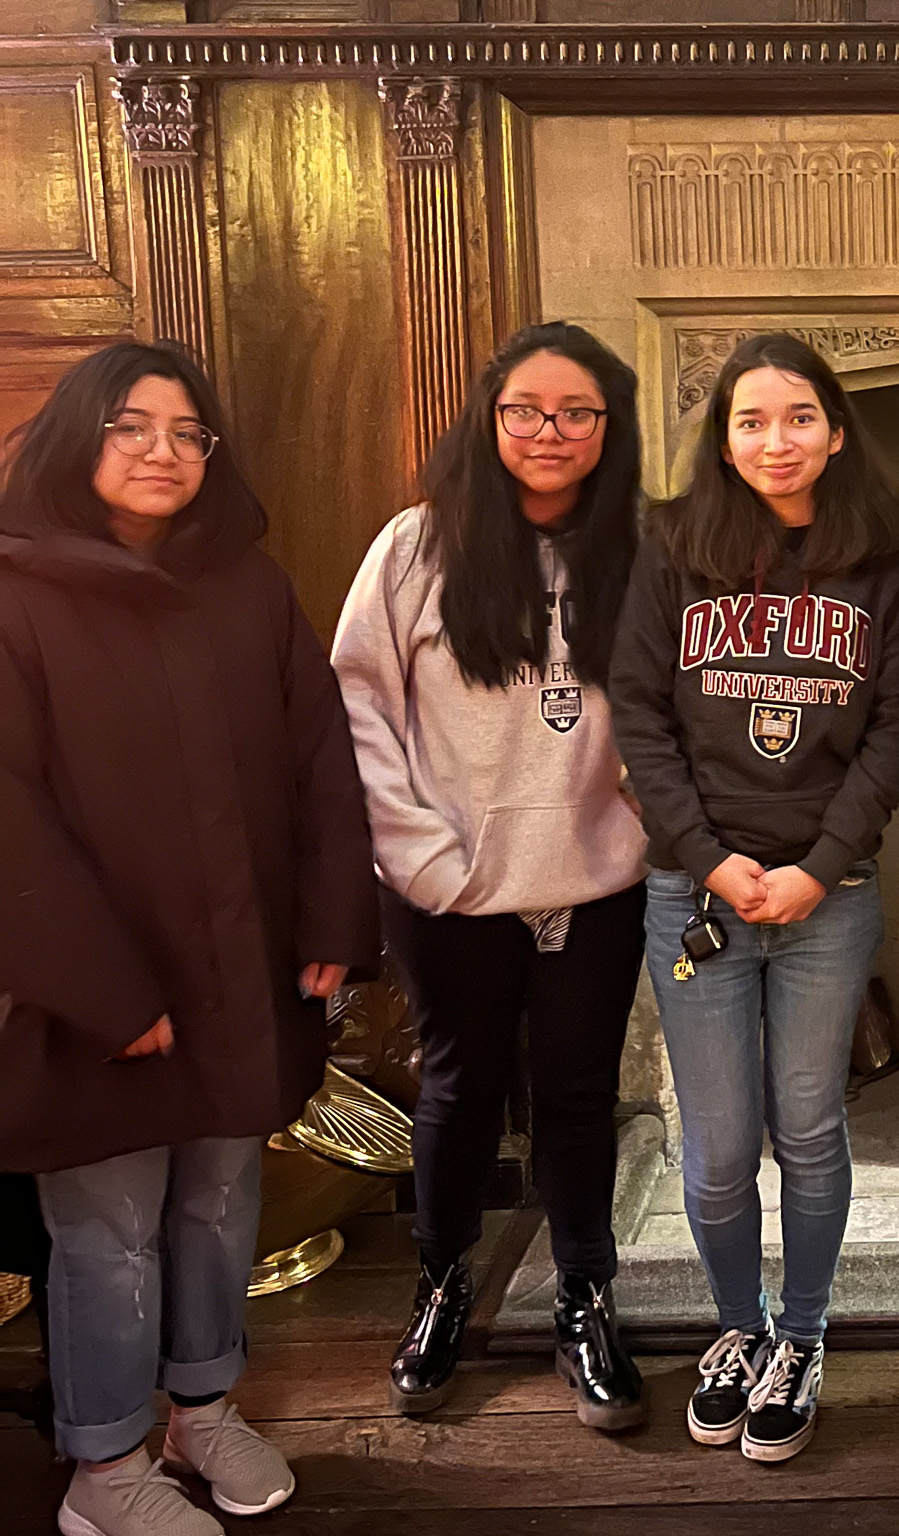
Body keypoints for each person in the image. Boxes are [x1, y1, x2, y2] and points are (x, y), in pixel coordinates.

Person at [0, 342, 380, 1536]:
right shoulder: (16, 594)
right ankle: (105, 1471)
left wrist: (330, 920)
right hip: (94, 993)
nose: (163, 452)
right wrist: (103, 992)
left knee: (221, 1203)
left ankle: (202, 1408)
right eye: (132, 427)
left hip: (243, 965)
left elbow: (320, 755)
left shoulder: (249, 587)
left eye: (186, 432)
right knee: (106, 1233)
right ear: (78, 438)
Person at [610, 332, 899, 1463]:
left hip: (826, 896)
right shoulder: (669, 545)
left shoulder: (880, 558)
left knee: (807, 1130)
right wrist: (706, 859)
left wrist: (818, 863)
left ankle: (800, 1335)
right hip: (692, 894)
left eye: (797, 417)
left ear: (835, 430)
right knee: (713, 1147)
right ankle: (737, 1329)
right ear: (724, 434)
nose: (774, 441)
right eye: (750, 420)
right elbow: (638, 714)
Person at [331, 322, 652, 1432]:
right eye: (526, 409)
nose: (549, 431)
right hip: (444, 880)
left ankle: (583, 1295)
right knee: (461, 1089)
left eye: (576, 413)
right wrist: (415, 851)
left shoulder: (639, 553)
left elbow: (667, 709)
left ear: (609, 430)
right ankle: (443, 1284)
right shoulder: (415, 548)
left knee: (576, 1096)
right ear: (489, 417)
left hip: (594, 879)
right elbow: (358, 703)